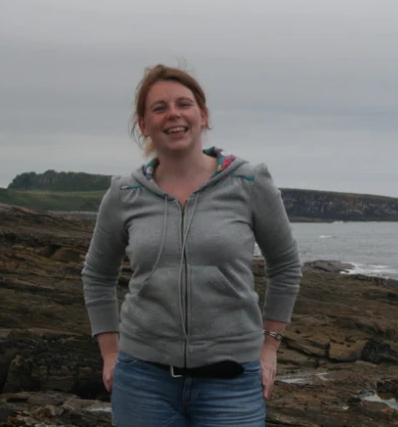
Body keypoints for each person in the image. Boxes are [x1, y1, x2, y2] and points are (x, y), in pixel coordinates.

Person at [81, 64, 302, 427]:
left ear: (203, 115)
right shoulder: (124, 193)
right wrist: (110, 352)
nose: (174, 114)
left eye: (184, 104)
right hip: (143, 380)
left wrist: (270, 346)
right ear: (143, 124)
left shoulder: (249, 182)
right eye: (160, 107)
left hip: (232, 381)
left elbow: (286, 266)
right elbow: (97, 275)